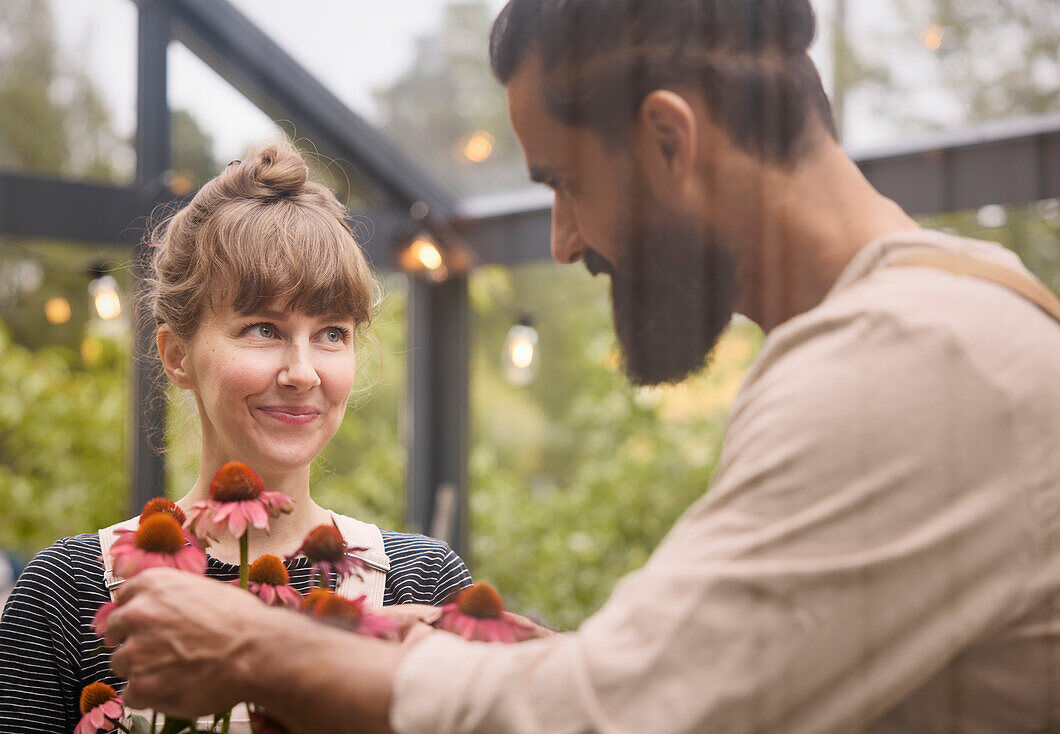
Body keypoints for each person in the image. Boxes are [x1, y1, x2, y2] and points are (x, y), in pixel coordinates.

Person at [105, 0, 1060, 732]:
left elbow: (610, 714)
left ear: (668, 139)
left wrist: (254, 646)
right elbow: (697, 673)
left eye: (564, 182)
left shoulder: (909, 362)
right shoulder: (959, 304)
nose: (563, 240)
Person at [0, 141, 472, 734]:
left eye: (332, 333)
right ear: (177, 356)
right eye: (264, 329)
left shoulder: (423, 582)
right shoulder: (69, 593)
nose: (303, 371)